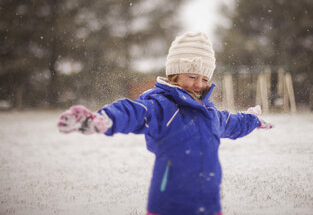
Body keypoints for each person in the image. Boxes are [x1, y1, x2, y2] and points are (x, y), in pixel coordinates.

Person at [58, 32, 273, 215]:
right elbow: (133, 111)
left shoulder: (210, 113)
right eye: (192, 77)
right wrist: (104, 118)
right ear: (174, 76)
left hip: (208, 202)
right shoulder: (161, 106)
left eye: (205, 79)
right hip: (169, 203)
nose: (199, 84)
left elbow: (232, 123)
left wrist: (252, 119)